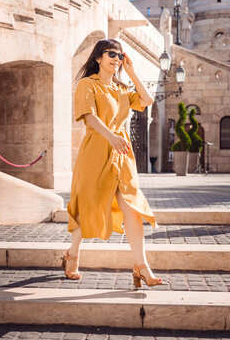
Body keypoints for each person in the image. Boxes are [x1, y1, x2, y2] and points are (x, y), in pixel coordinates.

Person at [62, 39, 164, 288]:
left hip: (122, 154)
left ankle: (142, 266)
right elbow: (89, 116)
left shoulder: (121, 88)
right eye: (111, 54)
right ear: (98, 57)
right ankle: (73, 254)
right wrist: (111, 136)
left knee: (132, 208)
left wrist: (131, 71)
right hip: (96, 151)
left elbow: (148, 100)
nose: (116, 58)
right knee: (86, 205)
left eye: (120, 55)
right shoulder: (87, 84)